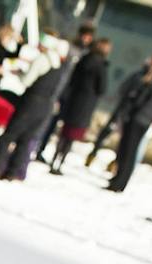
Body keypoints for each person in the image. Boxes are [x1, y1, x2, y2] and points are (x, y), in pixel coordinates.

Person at [0, 51, 75, 180]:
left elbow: (27, 80)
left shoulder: (43, 59)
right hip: (47, 106)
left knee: (9, 136)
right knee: (26, 139)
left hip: (32, 101)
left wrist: (17, 73)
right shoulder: (62, 68)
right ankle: (13, 172)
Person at [105, 47, 152, 193]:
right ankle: (117, 177)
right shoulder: (148, 73)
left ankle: (121, 182)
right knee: (124, 147)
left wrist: (150, 81)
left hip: (143, 118)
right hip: (133, 114)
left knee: (131, 150)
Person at [46, 36, 112, 173]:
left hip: (73, 100)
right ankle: (60, 163)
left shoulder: (85, 58)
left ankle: (54, 160)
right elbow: (102, 88)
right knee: (72, 136)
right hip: (86, 104)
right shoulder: (101, 66)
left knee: (64, 133)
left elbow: (72, 79)